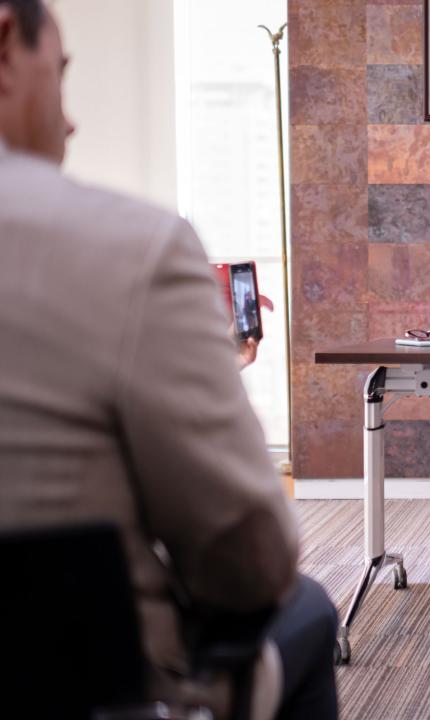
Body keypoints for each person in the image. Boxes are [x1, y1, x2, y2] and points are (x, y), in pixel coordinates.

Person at [0, 2, 338, 717]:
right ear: (5, 44)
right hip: (90, 687)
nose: (70, 120)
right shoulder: (132, 248)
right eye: (57, 76)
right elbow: (251, 560)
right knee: (305, 608)